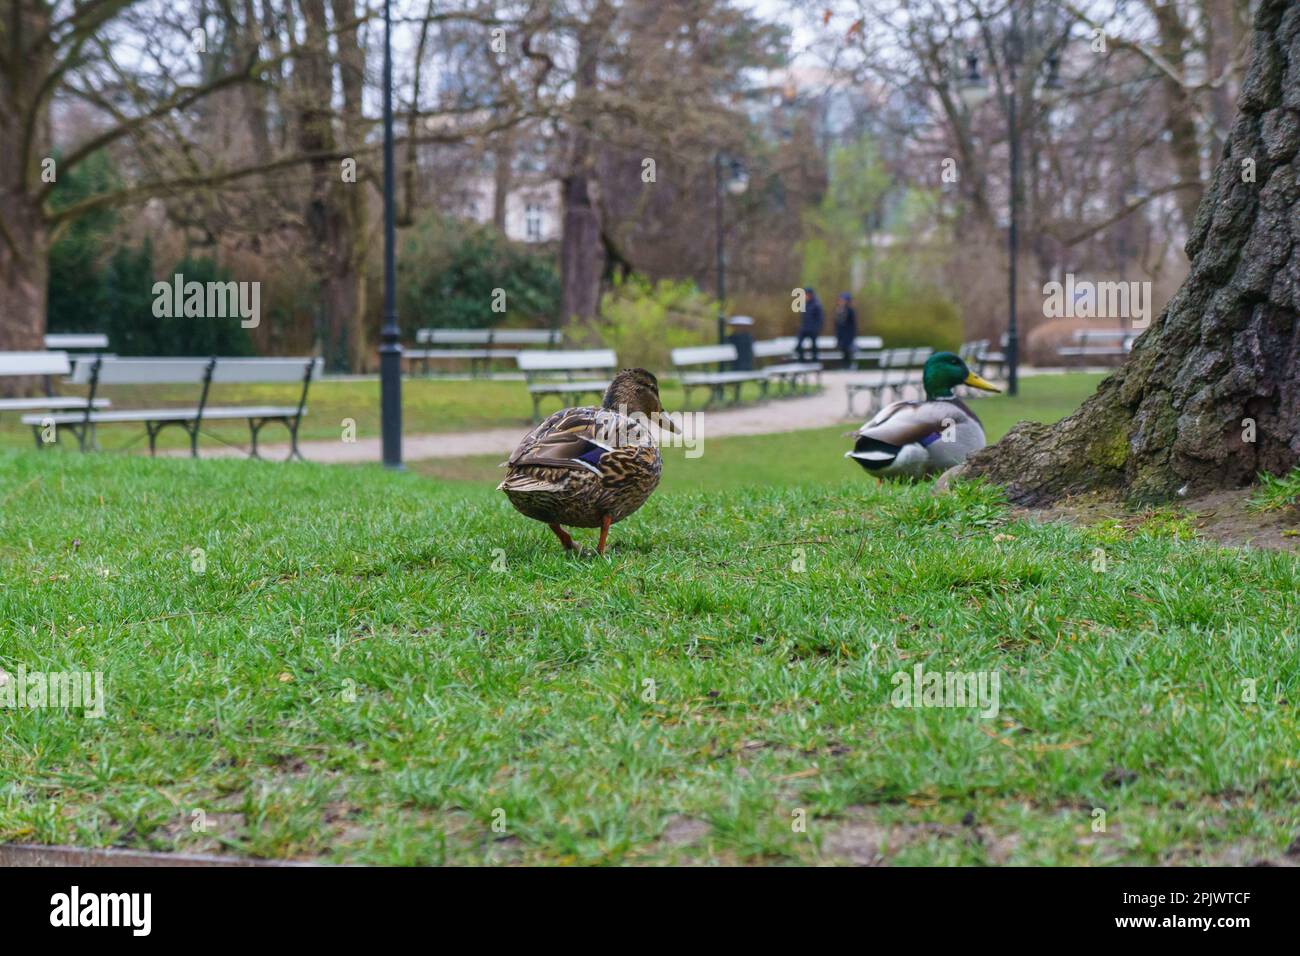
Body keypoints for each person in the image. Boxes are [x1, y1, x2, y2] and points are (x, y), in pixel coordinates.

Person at [796, 287, 824, 362]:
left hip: (813, 330)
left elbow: (820, 319)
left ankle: (815, 361)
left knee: (814, 347)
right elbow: (803, 318)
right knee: (798, 345)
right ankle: (802, 361)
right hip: (805, 329)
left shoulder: (816, 305)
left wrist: (816, 328)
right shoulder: (804, 304)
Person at [834, 292, 858, 369]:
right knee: (843, 351)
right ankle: (844, 365)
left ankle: (848, 365)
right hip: (841, 336)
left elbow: (853, 325)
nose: (841, 301)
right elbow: (837, 324)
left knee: (848, 351)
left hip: (848, 336)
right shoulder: (838, 310)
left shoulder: (850, 311)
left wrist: (852, 336)